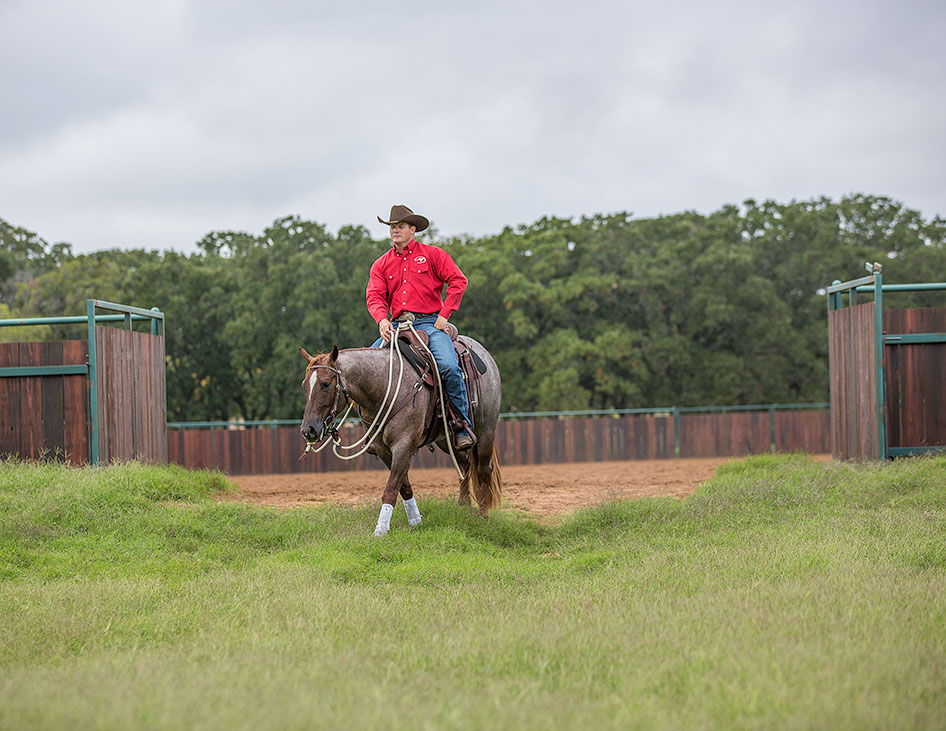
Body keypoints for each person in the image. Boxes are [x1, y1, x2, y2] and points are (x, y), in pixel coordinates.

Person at [366, 204, 474, 450]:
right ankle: (374, 430)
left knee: (448, 367)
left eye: (400, 226)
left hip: (429, 323)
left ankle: (460, 425)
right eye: (392, 227)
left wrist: (445, 314)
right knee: (366, 370)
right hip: (394, 325)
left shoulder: (434, 254)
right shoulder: (381, 264)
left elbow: (458, 281)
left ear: (412, 229)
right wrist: (382, 320)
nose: (395, 231)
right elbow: (374, 296)